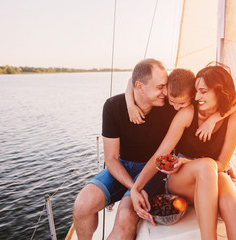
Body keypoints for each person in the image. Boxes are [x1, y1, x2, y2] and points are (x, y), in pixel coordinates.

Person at [130, 64, 236, 240]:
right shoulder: (188, 112)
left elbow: (222, 164)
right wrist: (136, 187)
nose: (197, 97)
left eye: (203, 91)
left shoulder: (234, 118)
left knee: (230, 201)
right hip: (180, 178)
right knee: (206, 166)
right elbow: (161, 153)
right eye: (196, 91)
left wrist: (215, 118)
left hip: (212, 175)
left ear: (219, 91)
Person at [72, 58, 176, 240]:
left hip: (152, 171)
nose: (165, 92)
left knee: (125, 215)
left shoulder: (170, 107)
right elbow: (111, 158)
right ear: (139, 87)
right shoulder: (113, 107)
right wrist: (133, 188)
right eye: (160, 87)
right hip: (122, 166)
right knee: (82, 204)